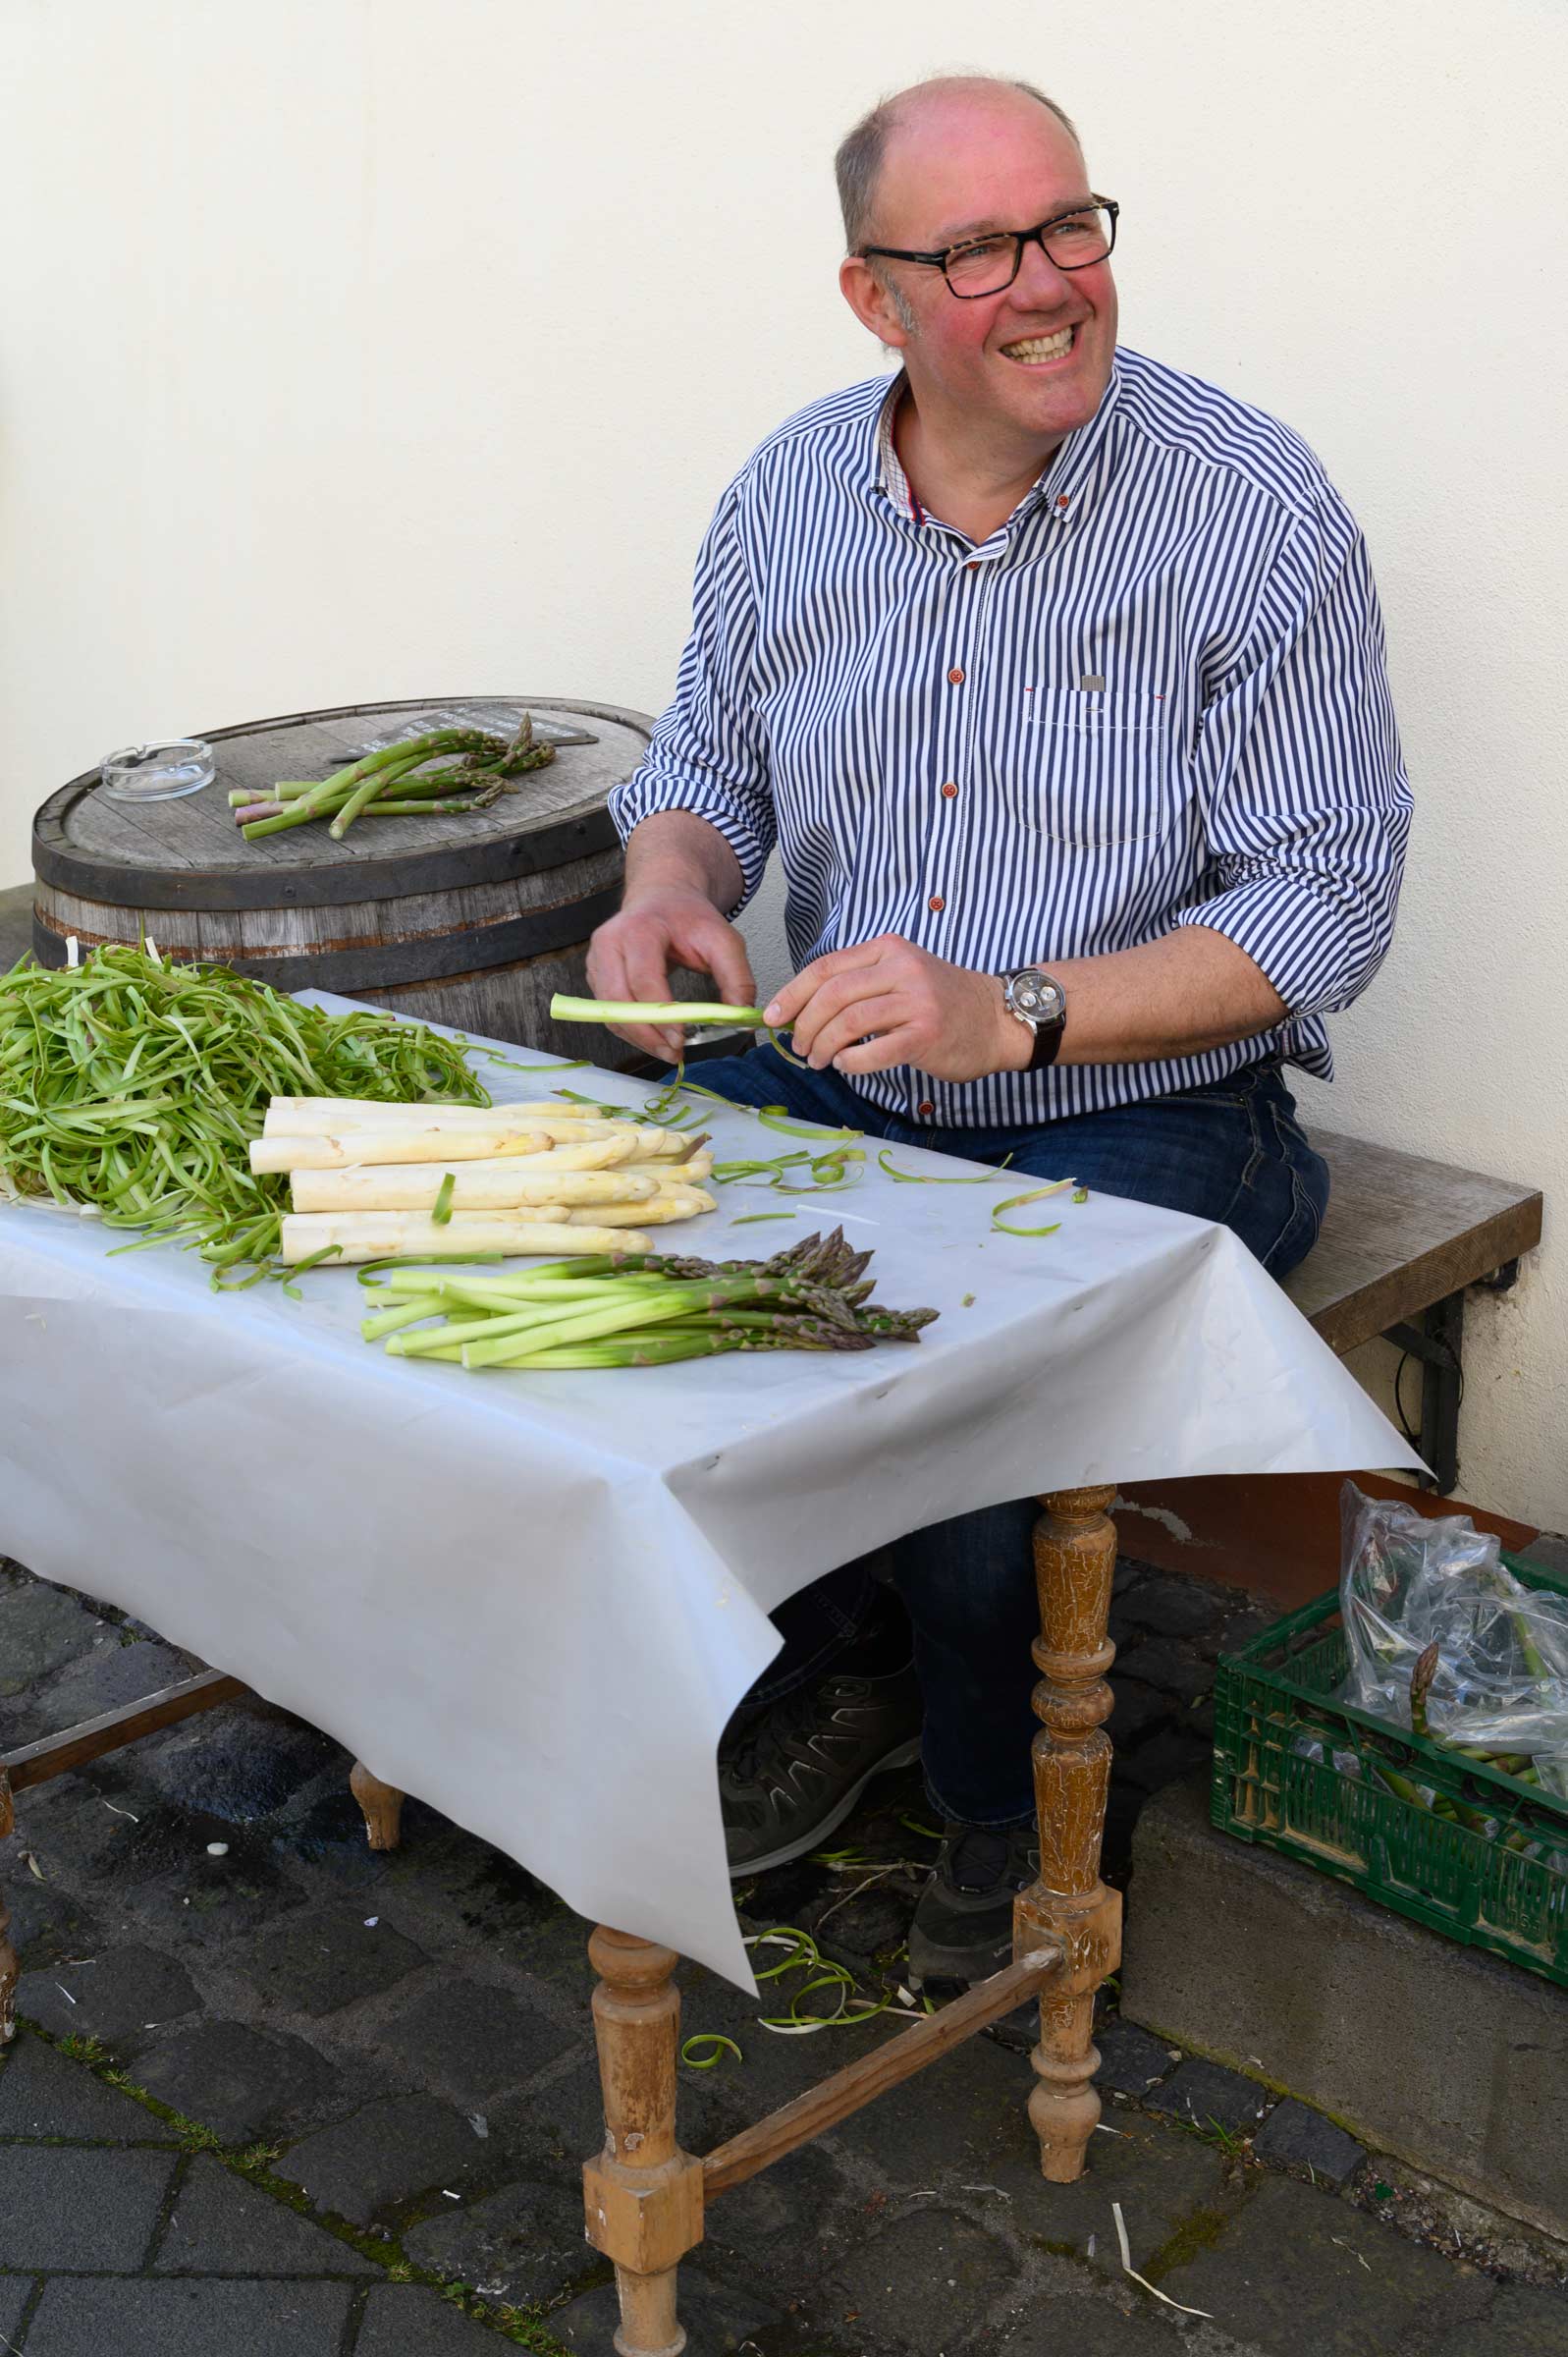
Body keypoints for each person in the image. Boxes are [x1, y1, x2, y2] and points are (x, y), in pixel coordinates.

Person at [587, 74, 1412, 1984]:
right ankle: (838, 1669)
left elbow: (1323, 902)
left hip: (1148, 1100)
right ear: (874, 300)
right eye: (977, 250)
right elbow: (704, 765)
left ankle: (998, 1803)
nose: (1049, 284)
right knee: (644, 1271)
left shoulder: (1248, 506)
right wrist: (668, 890)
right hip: (843, 1059)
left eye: (1071, 228)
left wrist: (1015, 1013)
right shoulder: (791, 490)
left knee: (971, 1422)